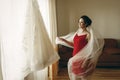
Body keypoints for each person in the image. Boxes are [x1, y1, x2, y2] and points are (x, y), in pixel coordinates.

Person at [58, 15, 104, 80]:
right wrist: (64, 40)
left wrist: (86, 61)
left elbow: (91, 49)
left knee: (83, 77)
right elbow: (74, 45)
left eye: (81, 22)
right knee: (75, 76)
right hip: (75, 58)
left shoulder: (88, 35)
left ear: (86, 24)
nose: (79, 24)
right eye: (79, 22)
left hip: (83, 59)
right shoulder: (77, 33)